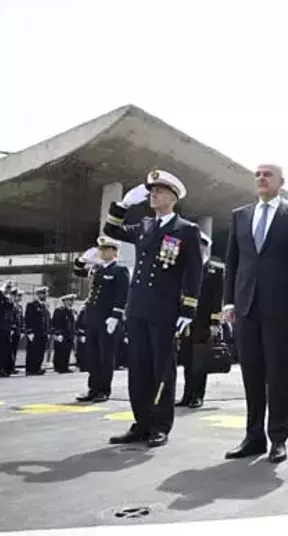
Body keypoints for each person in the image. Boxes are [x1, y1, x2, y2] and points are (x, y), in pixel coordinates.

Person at [102, 170, 203, 447]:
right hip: (138, 308)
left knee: (162, 370)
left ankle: (160, 425)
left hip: (165, 310)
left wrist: (188, 310)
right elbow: (111, 231)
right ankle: (141, 423)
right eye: (151, 191)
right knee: (138, 369)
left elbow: (193, 273)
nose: (152, 196)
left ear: (172, 197)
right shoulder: (145, 226)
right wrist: (122, 205)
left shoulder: (186, 230)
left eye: (158, 191)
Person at [223, 164, 288, 463]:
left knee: (278, 374)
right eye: (258, 175)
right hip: (246, 305)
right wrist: (228, 301)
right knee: (251, 373)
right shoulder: (241, 215)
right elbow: (233, 261)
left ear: (281, 182)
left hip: (280, 307)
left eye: (267, 175)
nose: (261, 178)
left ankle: (278, 438)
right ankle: (253, 437)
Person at [72, 236, 129, 402]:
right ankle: (93, 388)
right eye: (101, 250)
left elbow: (122, 295)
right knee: (93, 355)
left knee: (106, 356)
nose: (102, 252)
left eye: (106, 250)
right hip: (93, 318)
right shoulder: (97, 270)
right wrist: (82, 259)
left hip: (107, 320)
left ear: (114, 252)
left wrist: (115, 316)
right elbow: (77, 271)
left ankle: (104, 389)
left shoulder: (120, 270)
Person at [177, 231, 224, 409]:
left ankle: (197, 395)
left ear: (205, 247)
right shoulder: (186, 267)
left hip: (204, 322)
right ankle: (187, 394)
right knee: (187, 359)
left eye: (201, 245)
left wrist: (215, 322)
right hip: (186, 321)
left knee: (200, 361)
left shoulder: (214, 270)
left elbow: (217, 298)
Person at [23, 286, 51, 376]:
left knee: (40, 351)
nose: (45, 295)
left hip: (43, 333)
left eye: (45, 294)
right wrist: (29, 331)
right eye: (43, 294)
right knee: (33, 351)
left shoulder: (44, 306)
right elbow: (28, 319)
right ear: (38, 294)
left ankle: (37, 367)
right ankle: (30, 369)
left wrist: (48, 332)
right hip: (35, 332)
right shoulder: (32, 305)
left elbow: (47, 320)